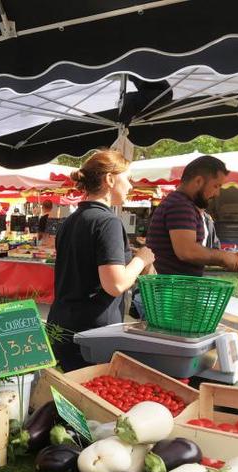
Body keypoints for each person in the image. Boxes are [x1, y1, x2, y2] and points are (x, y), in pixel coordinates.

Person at [47, 149, 155, 372]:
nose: (131, 186)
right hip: (91, 335)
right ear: (110, 179)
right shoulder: (108, 222)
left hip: (61, 324)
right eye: (128, 178)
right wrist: (141, 259)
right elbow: (114, 284)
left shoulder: (70, 221)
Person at [146, 155, 238, 275]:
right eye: (216, 186)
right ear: (198, 181)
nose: (217, 193)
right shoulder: (180, 205)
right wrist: (223, 257)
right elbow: (187, 251)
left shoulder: (181, 203)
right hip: (170, 289)